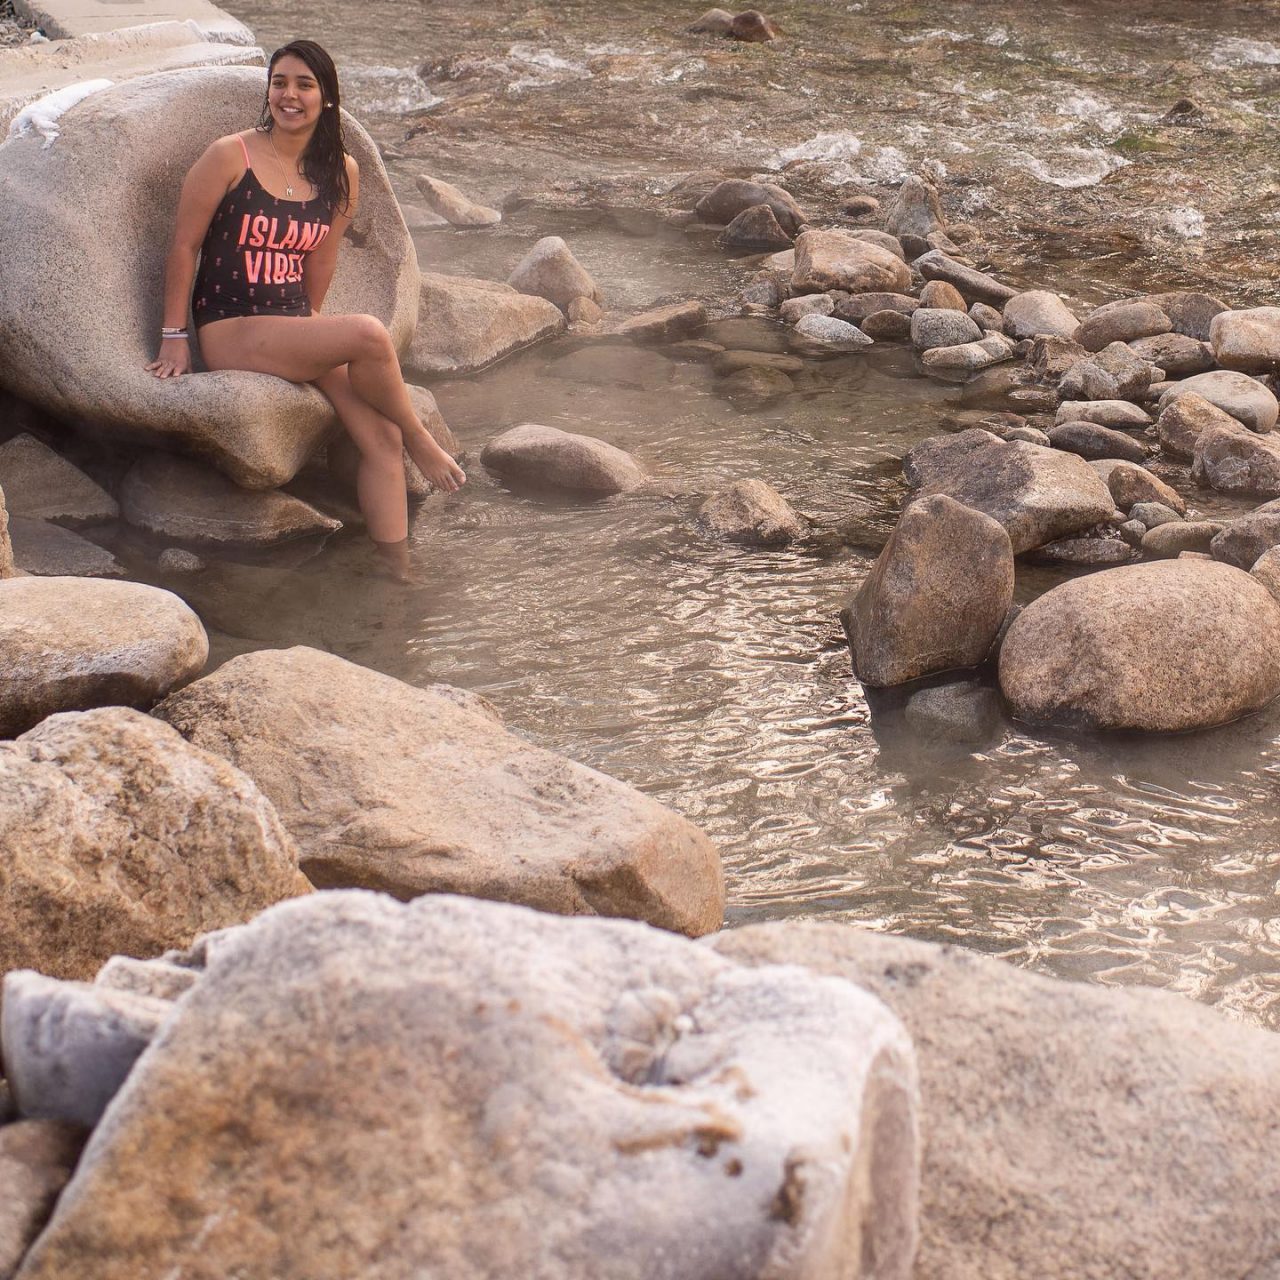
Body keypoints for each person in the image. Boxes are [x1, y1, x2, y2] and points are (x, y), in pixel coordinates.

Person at [146, 38, 464, 577]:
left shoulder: (342, 172)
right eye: (279, 82)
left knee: (379, 440)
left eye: (304, 85)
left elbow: (321, 262)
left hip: (291, 325)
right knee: (367, 333)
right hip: (230, 326)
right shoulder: (231, 154)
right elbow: (183, 246)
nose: (288, 95)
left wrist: (310, 332)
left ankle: (399, 573)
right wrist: (175, 334)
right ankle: (422, 438)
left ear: (327, 98)